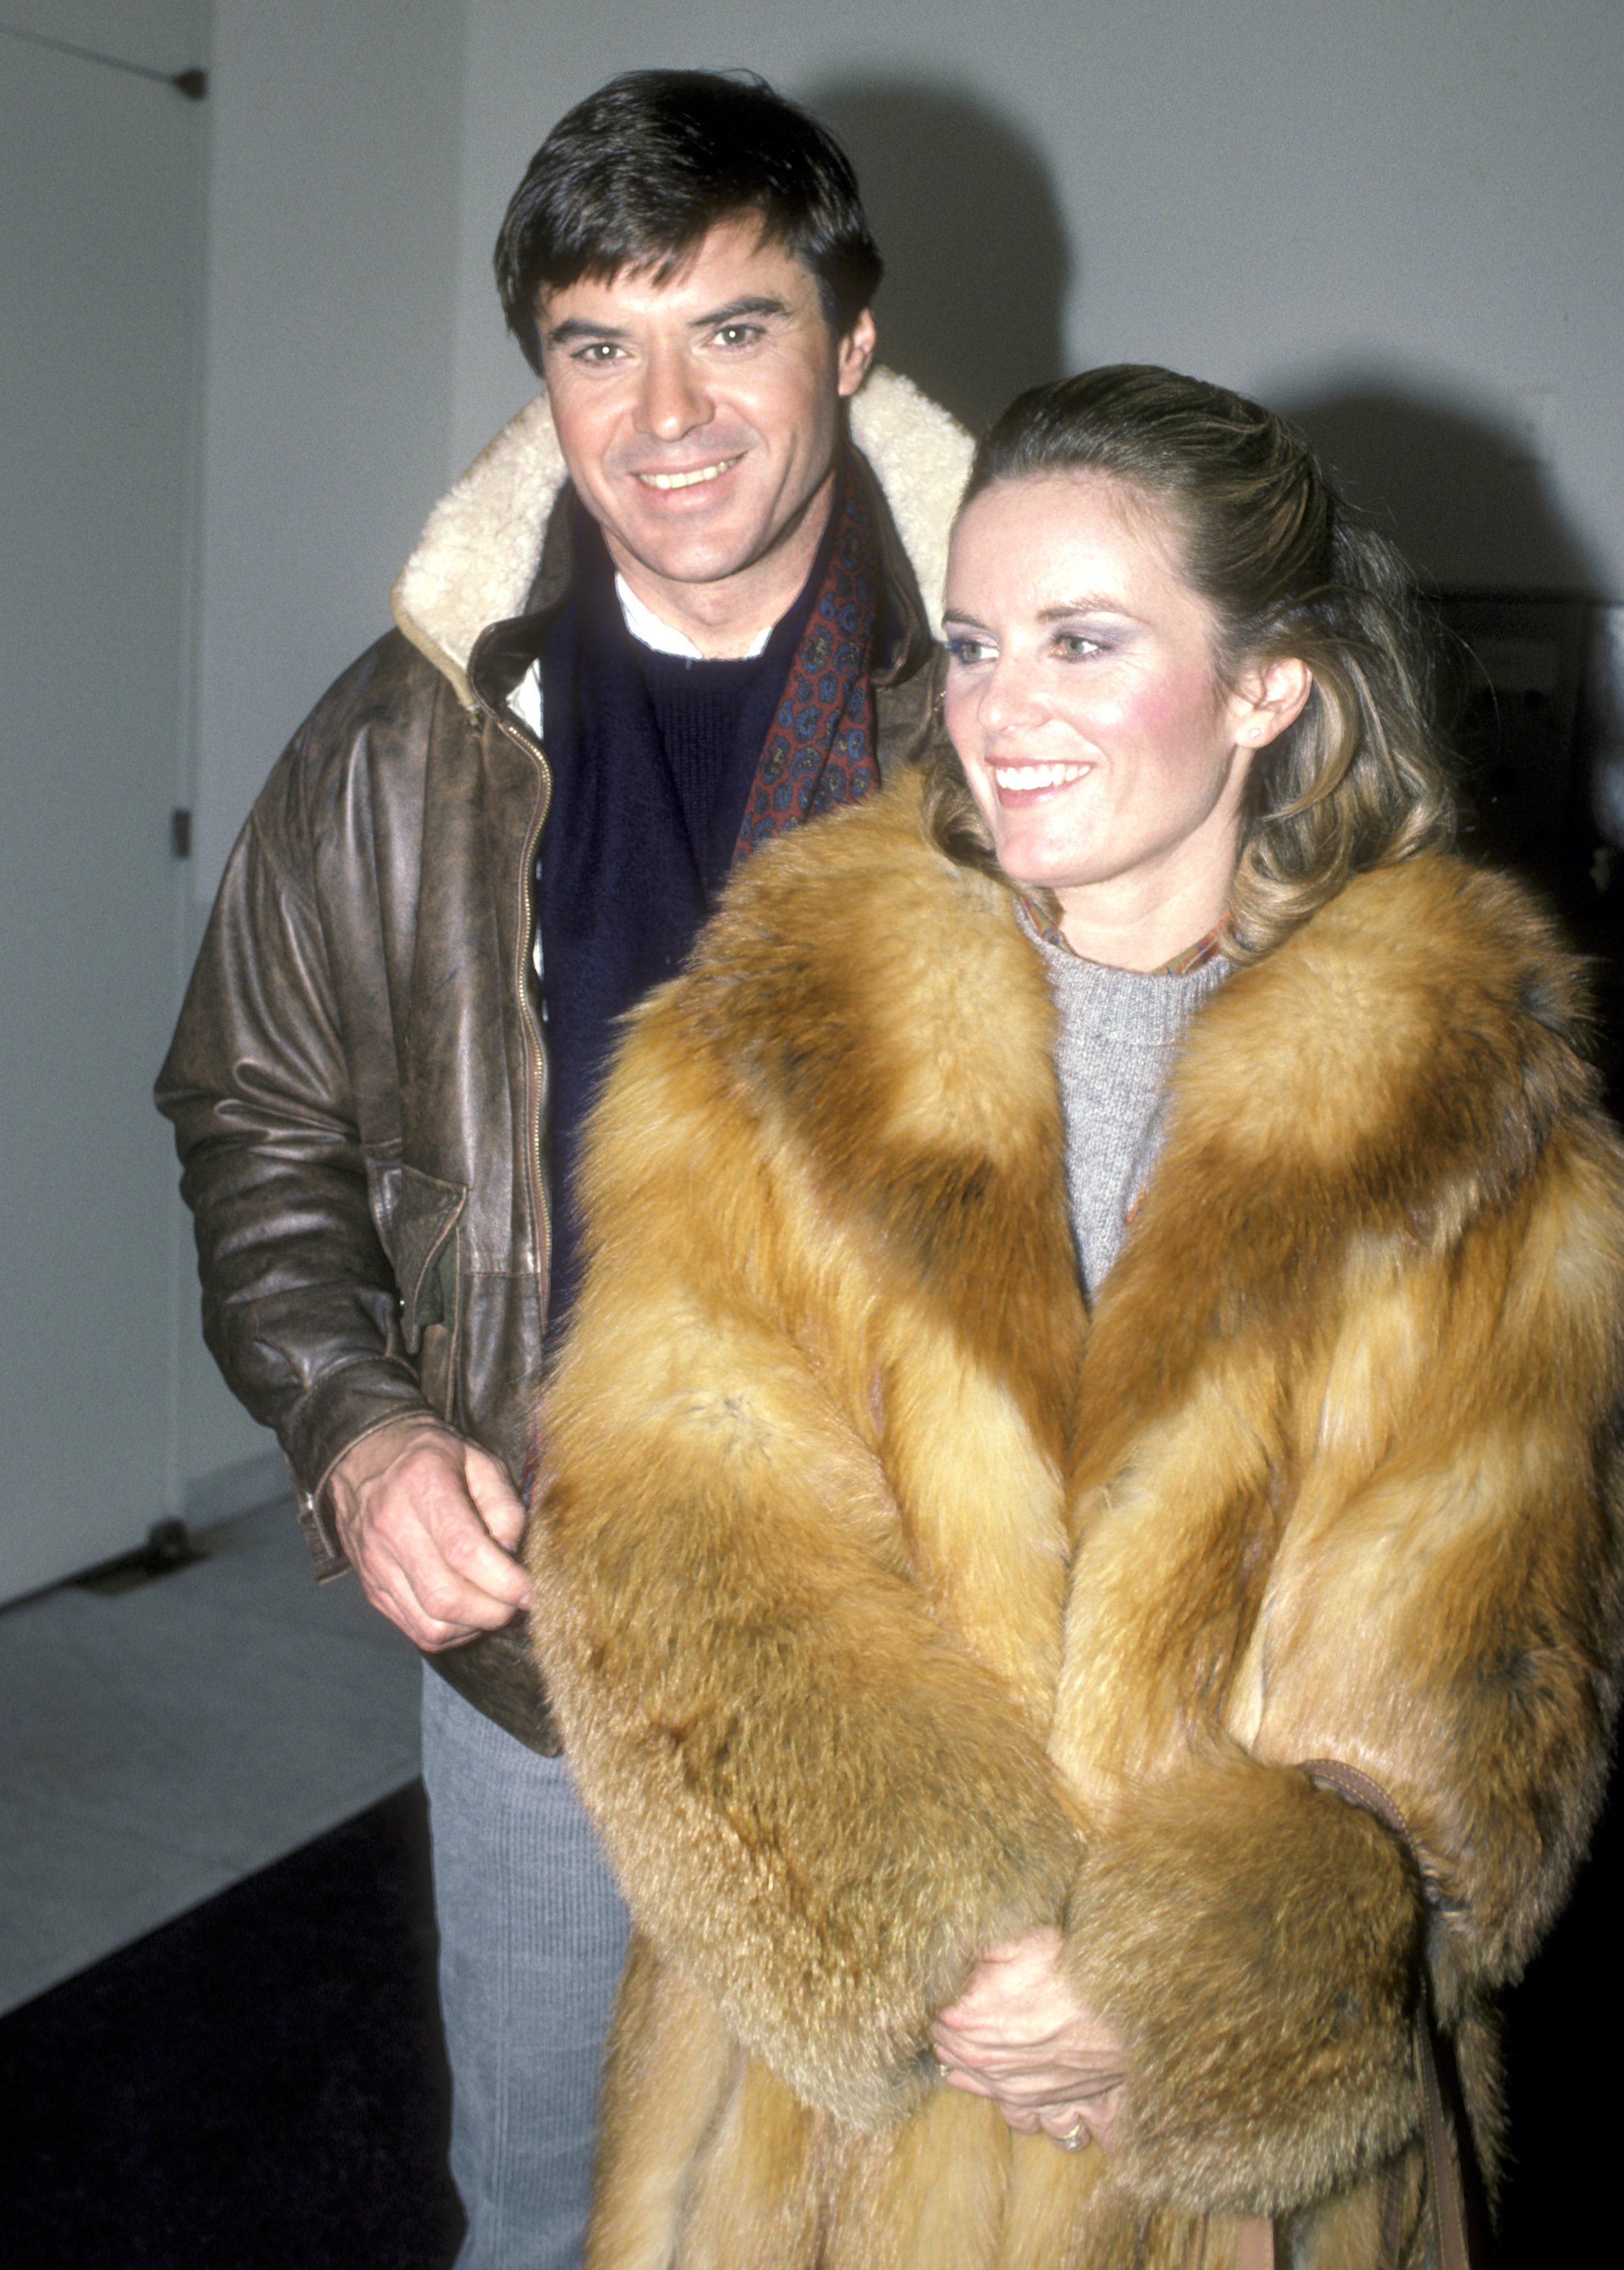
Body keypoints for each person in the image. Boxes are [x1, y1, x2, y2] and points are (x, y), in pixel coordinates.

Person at [529, 365, 1624, 2267]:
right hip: (830, 2116)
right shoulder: (776, 1039)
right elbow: (665, 1536)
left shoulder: (1476, 1126)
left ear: (1268, 685)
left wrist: (1193, 1994)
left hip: (1235, 2157)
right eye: (967, 641)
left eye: (1080, 638)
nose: (995, 709)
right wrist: (942, 1937)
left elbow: (1486, 1677)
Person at [155, 70, 970, 2270]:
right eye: (598, 343)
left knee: (917, 2213)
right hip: (557, 1648)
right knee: (546, 2207)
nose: (668, 409)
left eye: (735, 326)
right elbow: (252, 1106)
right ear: (542, 375)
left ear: (854, 339)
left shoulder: (1017, 722)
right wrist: (354, 1423)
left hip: (949, 1643)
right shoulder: (405, 734)